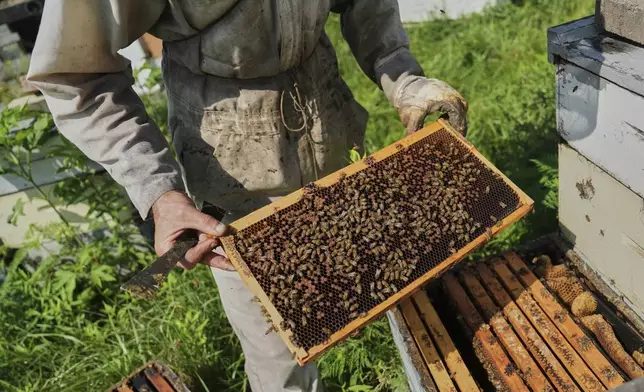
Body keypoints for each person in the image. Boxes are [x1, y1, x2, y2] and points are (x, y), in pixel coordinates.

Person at [27, 1, 467, 390]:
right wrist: (159, 192)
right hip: (231, 171)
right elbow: (75, 75)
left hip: (331, 125)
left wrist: (405, 79)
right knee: (279, 357)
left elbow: (366, 7)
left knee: (389, 285)